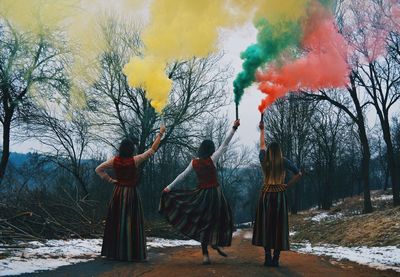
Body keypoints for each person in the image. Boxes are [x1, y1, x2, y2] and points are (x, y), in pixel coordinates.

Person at [159, 120, 240, 265]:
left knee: (204, 222)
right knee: (219, 220)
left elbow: (182, 176)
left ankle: (206, 253)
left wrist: (169, 188)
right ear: (211, 149)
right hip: (215, 195)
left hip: (201, 195)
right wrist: (234, 128)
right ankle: (215, 244)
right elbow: (225, 144)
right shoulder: (212, 159)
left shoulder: (194, 162)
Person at [95, 125, 165, 261]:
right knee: (131, 222)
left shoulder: (114, 161)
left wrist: (110, 180)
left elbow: (98, 169)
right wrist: (160, 134)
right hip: (131, 193)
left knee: (116, 221)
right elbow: (152, 150)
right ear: (131, 149)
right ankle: (131, 252)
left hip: (118, 192)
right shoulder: (135, 160)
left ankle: (115, 252)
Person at [252, 117, 302, 267]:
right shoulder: (284, 161)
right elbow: (299, 173)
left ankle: (267, 257)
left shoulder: (264, 159)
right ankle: (276, 259)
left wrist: (262, 130)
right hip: (279, 195)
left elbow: (262, 144)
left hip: (266, 195)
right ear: (279, 151)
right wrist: (287, 185)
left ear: (269, 151)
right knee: (279, 226)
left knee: (267, 225)